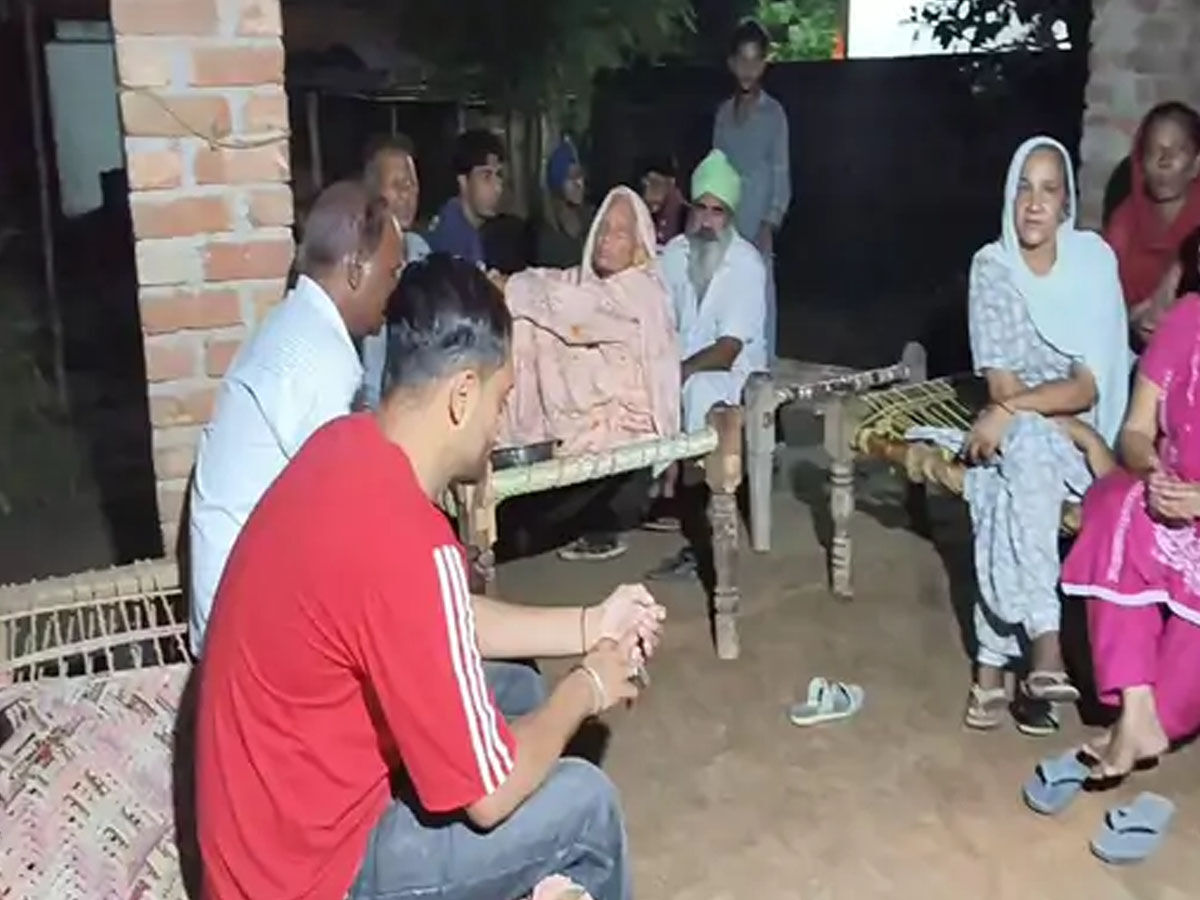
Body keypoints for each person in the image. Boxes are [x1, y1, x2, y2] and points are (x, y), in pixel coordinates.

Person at [195, 254, 665, 900]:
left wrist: (592, 624)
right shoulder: (408, 540)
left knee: (516, 685)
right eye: (501, 400)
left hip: (267, 837)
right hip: (311, 879)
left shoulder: (343, 447)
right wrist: (588, 686)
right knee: (586, 805)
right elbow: (491, 796)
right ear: (463, 395)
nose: (500, 425)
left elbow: (442, 616)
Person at [187, 181, 404, 655]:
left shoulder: (291, 324)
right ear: (355, 270)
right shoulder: (320, 356)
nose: (395, 289)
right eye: (392, 273)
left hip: (236, 607)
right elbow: (348, 520)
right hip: (248, 632)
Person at [962, 137, 1130, 734]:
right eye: (1023, 189)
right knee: (1014, 464)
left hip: (1084, 441)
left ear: (1066, 204)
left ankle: (992, 663)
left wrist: (1025, 415)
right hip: (1029, 442)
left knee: (1004, 475)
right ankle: (1044, 644)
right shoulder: (993, 268)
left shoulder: (1090, 264)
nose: (1034, 203)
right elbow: (1003, 385)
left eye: (1049, 190)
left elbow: (1086, 387)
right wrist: (1022, 411)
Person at [1057, 282, 1200, 782]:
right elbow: (1136, 431)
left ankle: (1147, 726)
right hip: (1172, 493)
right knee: (1116, 505)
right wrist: (1153, 472)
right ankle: (1135, 711)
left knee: (1174, 712)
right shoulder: (1187, 318)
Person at [497, 186, 680, 563]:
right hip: (574, 428)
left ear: (639, 246)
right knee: (528, 321)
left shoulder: (639, 291)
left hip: (619, 433)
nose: (606, 239)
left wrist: (508, 287)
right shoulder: (586, 282)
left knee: (537, 320)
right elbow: (552, 282)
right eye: (603, 229)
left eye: (620, 233)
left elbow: (573, 308)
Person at [648, 149, 766, 581]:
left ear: (730, 217)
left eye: (718, 212)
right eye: (701, 208)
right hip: (680, 368)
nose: (707, 221)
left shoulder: (746, 263)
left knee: (698, 391)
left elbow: (728, 349)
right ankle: (638, 496)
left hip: (735, 378)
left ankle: (706, 520)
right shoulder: (675, 254)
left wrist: (674, 374)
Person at [714, 18, 790, 362]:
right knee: (723, 286)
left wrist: (770, 221)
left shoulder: (774, 114)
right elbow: (716, 166)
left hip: (757, 215)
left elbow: (781, 169)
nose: (748, 69)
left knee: (759, 288)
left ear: (764, 64)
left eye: (755, 60)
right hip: (725, 215)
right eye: (742, 60)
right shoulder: (723, 114)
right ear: (731, 63)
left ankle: (762, 365)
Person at [1104, 101, 1200, 344]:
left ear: (1196, 164)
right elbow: (1101, 304)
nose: (1164, 161)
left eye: (1177, 150)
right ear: (1141, 164)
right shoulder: (1124, 226)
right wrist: (1132, 319)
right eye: (1153, 151)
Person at [360, 133, 431, 409]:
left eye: (412, 185)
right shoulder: (362, 265)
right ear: (372, 192)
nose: (407, 194)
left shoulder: (420, 251)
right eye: (398, 185)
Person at [428, 128, 505, 267]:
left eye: (499, 175)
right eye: (486, 176)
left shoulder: (470, 228)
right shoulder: (450, 237)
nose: (497, 188)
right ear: (463, 181)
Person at [535, 137, 594, 268]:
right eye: (571, 177)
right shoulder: (547, 233)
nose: (579, 183)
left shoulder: (590, 219)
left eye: (580, 175)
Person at [636, 154, 687, 249]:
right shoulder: (640, 215)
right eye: (645, 183)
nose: (648, 189)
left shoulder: (688, 218)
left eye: (655, 183)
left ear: (671, 183)